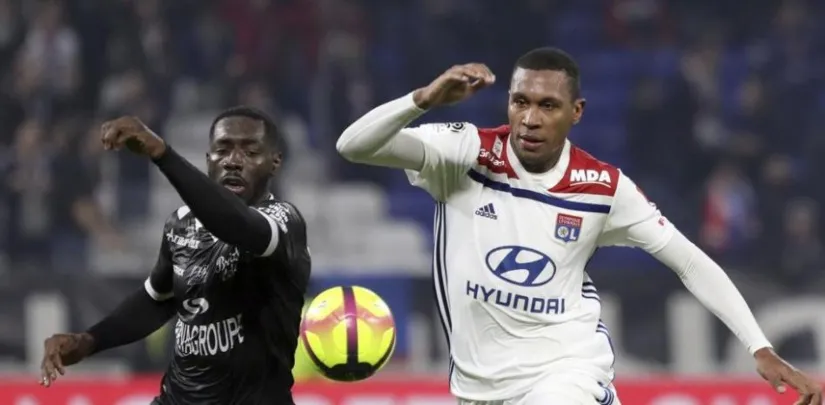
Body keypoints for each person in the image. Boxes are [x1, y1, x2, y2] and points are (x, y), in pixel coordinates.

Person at [335, 47, 822, 405]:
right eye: (520, 101)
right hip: (476, 388)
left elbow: (689, 261)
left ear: (576, 113)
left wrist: (760, 347)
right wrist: (421, 99)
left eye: (547, 106)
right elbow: (352, 147)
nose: (529, 118)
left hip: (565, 373)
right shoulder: (463, 152)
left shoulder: (602, 187)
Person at [39, 107, 311, 405]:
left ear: (275, 163)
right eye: (222, 150)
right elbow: (156, 300)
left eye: (250, 151)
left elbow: (236, 225)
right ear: (208, 161)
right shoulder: (181, 223)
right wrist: (89, 341)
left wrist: (162, 154)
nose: (233, 161)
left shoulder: (285, 223)